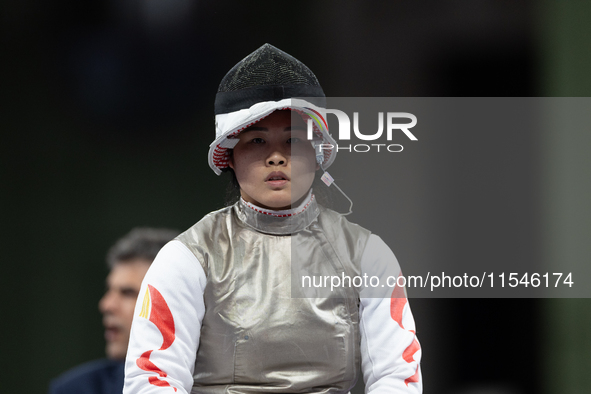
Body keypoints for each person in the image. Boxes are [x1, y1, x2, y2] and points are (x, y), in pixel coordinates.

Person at [124, 44, 422, 393]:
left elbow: (396, 378)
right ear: (229, 156)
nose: (277, 157)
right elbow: (152, 379)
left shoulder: (368, 255)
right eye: (257, 140)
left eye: (294, 140)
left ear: (318, 153)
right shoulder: (188, 257)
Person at [49, 227, 179, 394]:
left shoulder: (217, 385)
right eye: (109, 290)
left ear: (175, 305)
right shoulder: (75, 389)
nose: (106, 305)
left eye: (128, 293)